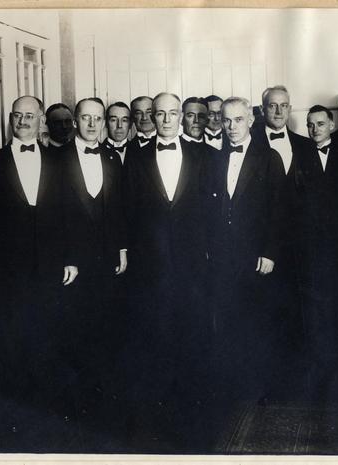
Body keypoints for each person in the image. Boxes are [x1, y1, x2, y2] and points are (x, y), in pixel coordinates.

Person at [0, 96, 82, 446]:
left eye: (30, 116)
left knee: (49, 340)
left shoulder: (58, 160)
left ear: (40, 121)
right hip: (9, 270)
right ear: (10, 119)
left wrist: (70, 257)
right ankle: (17, 425)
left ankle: (49, 421)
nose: (23, 121)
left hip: (51, 268)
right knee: (12, 343)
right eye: (17, 115)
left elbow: (69, 213)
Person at [123, 92, 209, 451]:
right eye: (160, 114)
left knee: (192, 338)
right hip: (151, 267)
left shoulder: (204, 156)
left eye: (174, 113)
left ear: (182, 116)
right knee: (154, 339)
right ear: (152, 117)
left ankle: (193, 416)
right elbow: (128, 211)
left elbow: (212, 214)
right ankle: (157, 420)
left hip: (193, 269)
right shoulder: (136, 157)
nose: (168, 120)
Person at [205, 96, 286, 406]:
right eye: (226, 120)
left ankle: (258, 388)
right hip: (222, 256)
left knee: (256, 321)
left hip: (255, 256)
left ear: (251, 120)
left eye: (238, 120)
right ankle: (232, 387)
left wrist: (270, 252)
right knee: (226, 319)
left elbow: (279, 210)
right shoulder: (214, 159)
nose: (231, 126)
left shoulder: (269, 158)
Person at [58, 97, 127, 429]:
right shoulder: (56, 159)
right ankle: (77, 406)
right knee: (74, 331)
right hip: (73, 265)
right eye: (85, 118)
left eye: (98, 119)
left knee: (107, 329)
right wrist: (66, 258)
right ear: (75, 121)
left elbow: (120, 209)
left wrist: (122, 249)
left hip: (107, 261)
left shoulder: (113, 158)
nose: (92, 124)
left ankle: (104, 404)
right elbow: (50, 216)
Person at [251, 85, 317, 398]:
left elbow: (317, 198)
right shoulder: (247, 142)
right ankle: (267, 382)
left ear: (290, 109)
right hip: (264, 247)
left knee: (298, 310)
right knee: (264, 312)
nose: (278, 112)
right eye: (272, 106)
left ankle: (296, 383)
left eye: (283, 106)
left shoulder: (305, 146)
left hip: (300, 247)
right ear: (262, 109)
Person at [302, 105, 338, 400]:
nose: (314, 129)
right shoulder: (300, 155)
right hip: (311, 244)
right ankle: (319, 361)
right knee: (315, 302)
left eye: (320, 123)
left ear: (331, 125)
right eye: (310, 124)